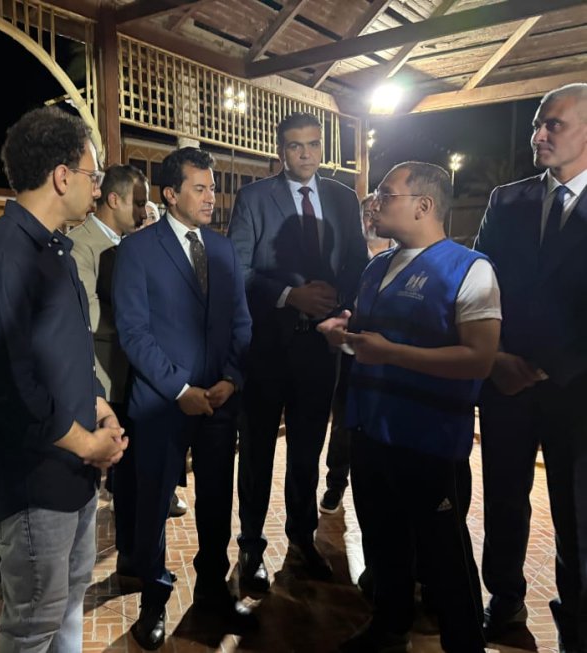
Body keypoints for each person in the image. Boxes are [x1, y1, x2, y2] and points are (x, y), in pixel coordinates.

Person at [0, 106, 127, 653]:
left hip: (71, 465)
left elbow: (67, 351)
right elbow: (9, 385)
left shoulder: (55, 248)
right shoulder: (1, 255)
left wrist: (98, 404)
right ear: (62, 176)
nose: (97, 188)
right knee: (33, 622)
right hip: (32, 478)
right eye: (93, 175)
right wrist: (88, 445)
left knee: (66, 603)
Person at [319, 161, 499, 653]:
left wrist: (391, 353)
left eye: (386, 194)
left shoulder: (470, 269)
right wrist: (344, 333)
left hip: (429, 441)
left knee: (445, 556)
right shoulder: (377, 266)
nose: (374, 204)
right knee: (384, 542)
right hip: (371, 431)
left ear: (424, 205)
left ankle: (465, 643)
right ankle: (389, 626)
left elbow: (480, 358)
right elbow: (372, 337)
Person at [113, 147, 255, 650]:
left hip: (218, 401)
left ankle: (213, 592)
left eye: (213, 188)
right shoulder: (137, 250)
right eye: (200, 188)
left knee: (216, 503)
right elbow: (133, 333)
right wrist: (179, 389)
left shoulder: (222, 249)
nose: (211, 197)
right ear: (170, 194)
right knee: (152, 505)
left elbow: (241, 321)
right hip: (161, 404)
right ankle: (153, 602)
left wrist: (232, 378)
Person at [227, 111, 367, 591]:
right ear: (280, 150)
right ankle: (250, 545)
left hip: (320, 347)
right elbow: (238, 269)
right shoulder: (253, 198)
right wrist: (290, 296)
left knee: (307, 449)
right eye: (295, 145)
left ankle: (302, 538)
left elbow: (357, 262)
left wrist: (339, 306)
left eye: (312, 144)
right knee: (258, 451)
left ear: (322, 147)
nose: (305, 154)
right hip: (267, 347)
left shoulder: (343, 198)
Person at [474, 82, 587, 653]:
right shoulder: (507, 200)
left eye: (553, 124)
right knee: (503, 498)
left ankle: (578, 622)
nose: (538, 134)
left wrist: (552, 365)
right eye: (537, 123)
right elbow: (479, 287)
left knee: (577, 512)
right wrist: (494, 358)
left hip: (578, 390)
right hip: (505, 381)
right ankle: (504, 599)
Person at [68, 163, 147, 582]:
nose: (145, 210)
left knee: (132, 477)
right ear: (114, 200)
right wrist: (140, 324)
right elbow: (86, 318)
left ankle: (132, 558)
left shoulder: (133, 243)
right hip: (103, 379)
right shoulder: (82, 245)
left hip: (134, 375)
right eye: (138, 201)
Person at [320, 195, 396, 515]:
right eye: (367, 212)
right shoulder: (350, 258)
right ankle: (336, 483)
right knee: (343, 422)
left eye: (379, 210)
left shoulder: (402, 257)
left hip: (391, 359)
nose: (372, 218)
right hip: (351, 354)